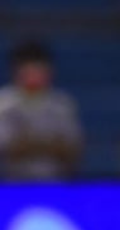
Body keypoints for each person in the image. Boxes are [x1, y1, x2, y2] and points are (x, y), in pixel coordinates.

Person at [0, 41, 83, 180]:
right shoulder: (4, 102)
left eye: (39, 69)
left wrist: (29, 145)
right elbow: (7, 148)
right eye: (28, 70)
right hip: (11, 184)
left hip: (54, 182)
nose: (34, 75)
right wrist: (48, 145)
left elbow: (72, 150)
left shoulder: (62, 104)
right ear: (17, 71)